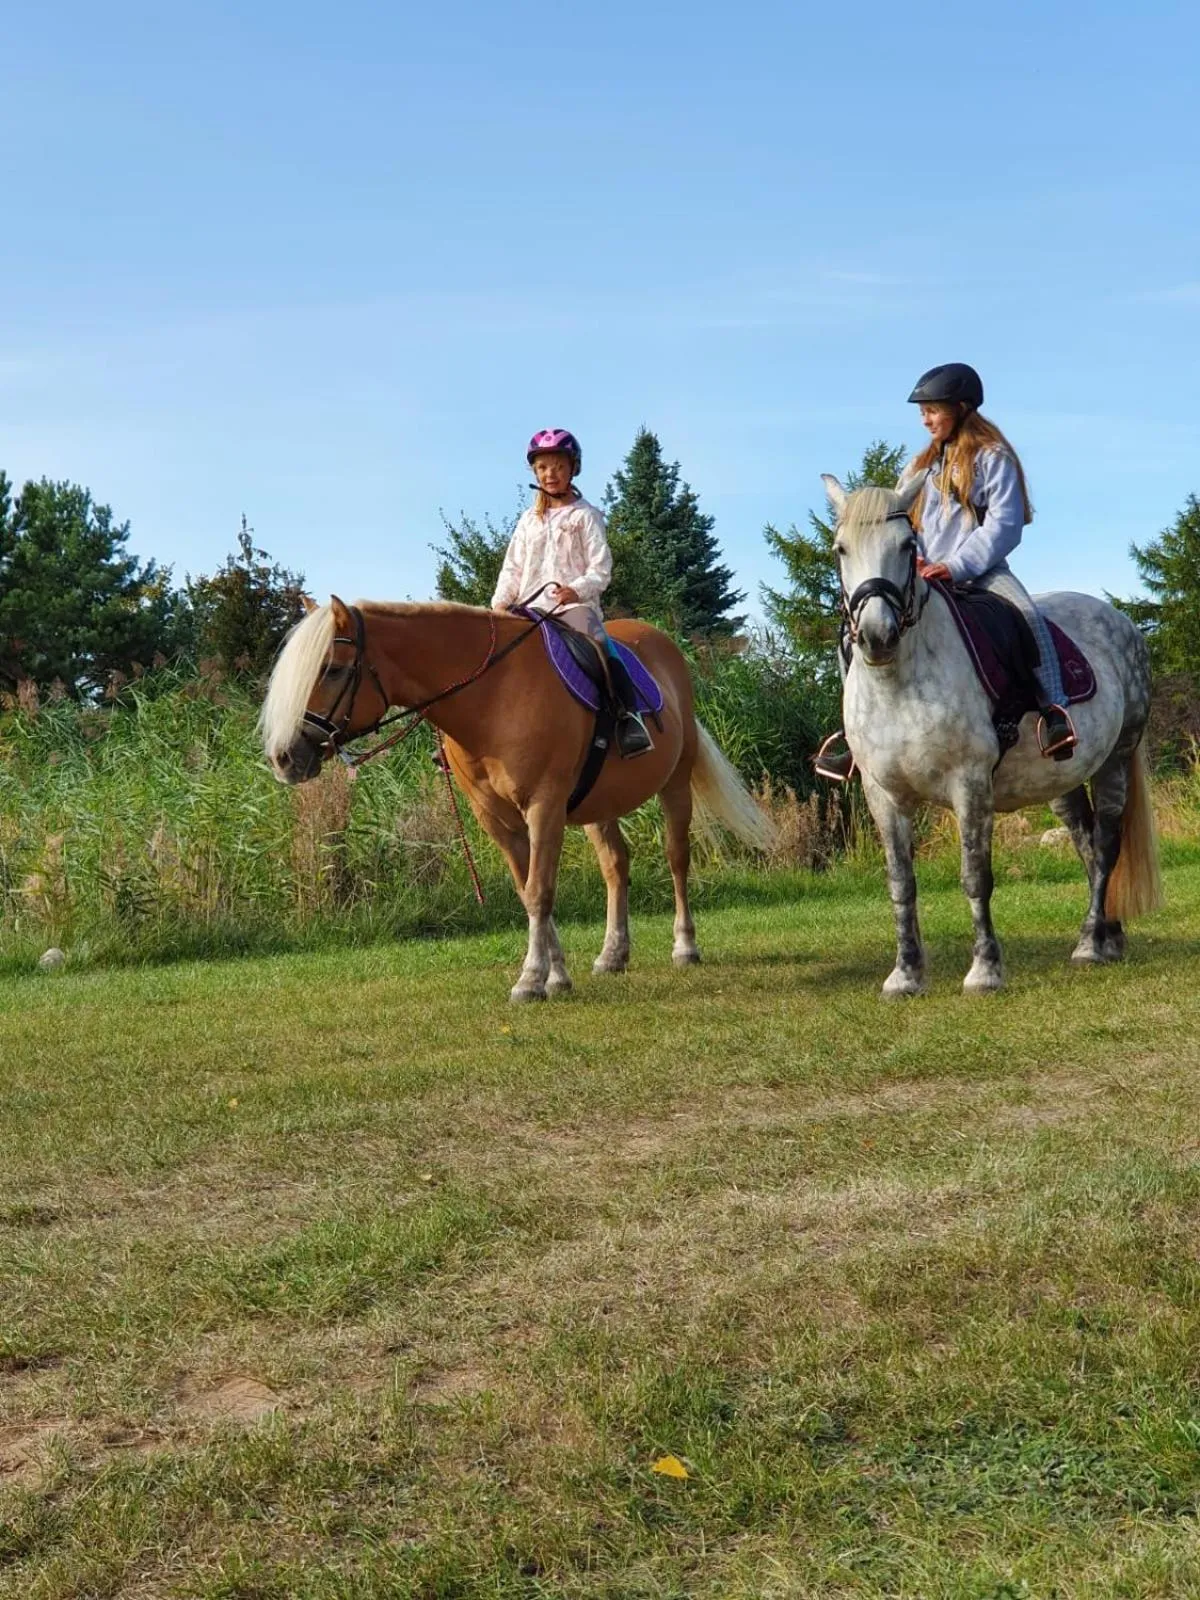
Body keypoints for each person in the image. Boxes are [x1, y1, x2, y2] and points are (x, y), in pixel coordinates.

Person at [815, 364, 1078, 781]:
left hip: (981, 571)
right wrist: (914, 562)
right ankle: (852, 737)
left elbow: (1004, 526)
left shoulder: (993, 458)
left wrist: (956, 566)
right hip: (924, 573)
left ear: (962, 407)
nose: (925, 419)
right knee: (851, 634)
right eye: (923, 412)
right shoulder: (919, 467)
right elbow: (901, 526)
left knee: (1027, 616)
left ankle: (1054, 711)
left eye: (933, 410)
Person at [491, 428, 653, 758]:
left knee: (599, 643)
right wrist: (498, 606)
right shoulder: (528, 521)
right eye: (543, 467)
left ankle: (629, 718)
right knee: (488, 649)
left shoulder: (586, 516)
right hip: (528, 608)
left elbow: (600, 568)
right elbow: (512, 568)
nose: (550, 474)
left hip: (571, 608)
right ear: (534, 472)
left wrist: (576, 591)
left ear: (573, 469)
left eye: (559, 466)